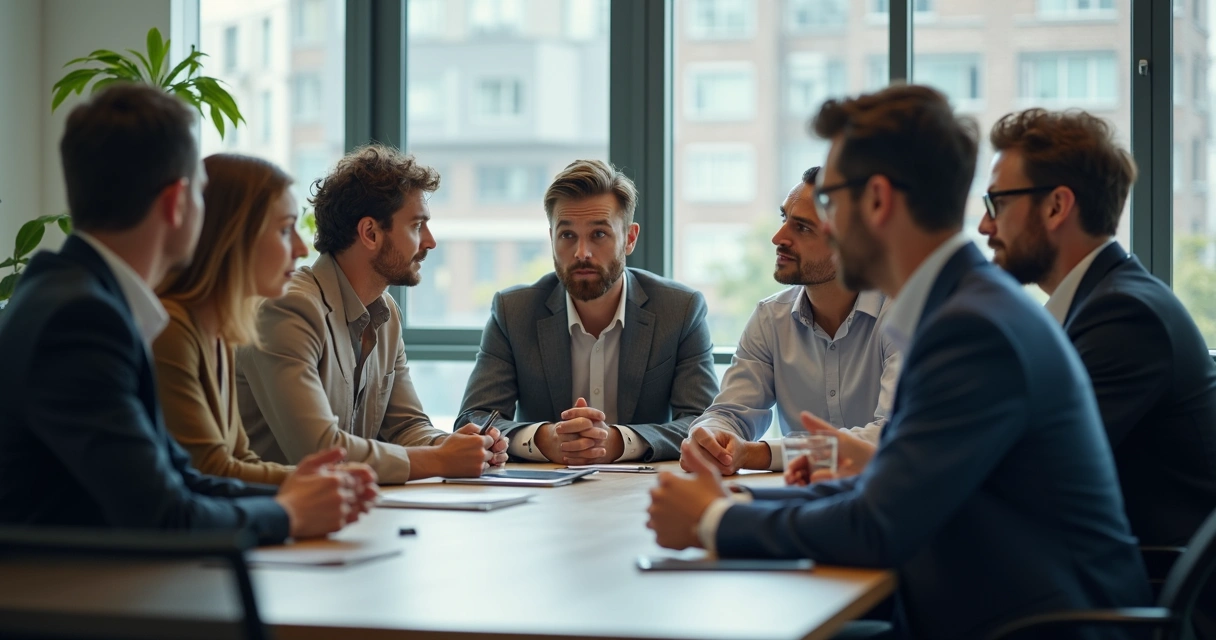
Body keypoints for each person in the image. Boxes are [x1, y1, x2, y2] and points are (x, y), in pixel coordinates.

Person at [646, 84, 1150, 640]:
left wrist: (712, 520)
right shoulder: (963, 307)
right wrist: (734, 497)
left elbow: (879, 524)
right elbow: (895, 482)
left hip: (1032, 627)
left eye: (830, 204)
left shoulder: (971, 329)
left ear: (879, 201)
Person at [0, 83, 375, 542]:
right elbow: (163, 516)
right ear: (177, 204)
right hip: (61, 599)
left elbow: (179, 478)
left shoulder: (75, 294)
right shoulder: (82, 320)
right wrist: (289, 515)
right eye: (202, 193)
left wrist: (297, 491)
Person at [978, 108, 1216, 548]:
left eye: (998, 202)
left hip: (1144, 593)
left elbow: (1031, 472)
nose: (984, 225)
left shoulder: (1125, 317)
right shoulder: (1100, 303)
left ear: (1056, 206)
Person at [237, 144, 507, 484]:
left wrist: (463, 447)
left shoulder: (387, 313)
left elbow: (406, 427)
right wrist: (440, 458)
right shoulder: (289, 309)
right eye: (417, 226)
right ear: (370, 233)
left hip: (348, 513)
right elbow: (321, 452)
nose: (430, 241)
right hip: (277, 522)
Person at [457, 159, 718, 464]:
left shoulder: (680, 310)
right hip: (543, 494)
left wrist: (620, 442)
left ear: (630, 238)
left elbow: (704, 423)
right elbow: (473, 419)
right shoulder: (513, 311)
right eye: (567, 235)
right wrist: (543, 439)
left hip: (641, 493)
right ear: (552, 238)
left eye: (599, 235)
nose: (582, 252)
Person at [680, 166, 898, 475]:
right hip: (803, 499)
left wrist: (757, 454)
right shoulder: (770, 318)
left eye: (803, 228)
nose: (778, 237)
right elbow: (730, 413)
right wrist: (711, 437)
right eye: (784, 219)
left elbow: (889, 437)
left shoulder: (901, 315)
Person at [153, 154, 309, 485]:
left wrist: (327, 479)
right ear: (234, 236)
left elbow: (240, 458)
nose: (301, 248)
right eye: (284, 230)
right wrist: (315, 481)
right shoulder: (171, 330)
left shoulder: (218, 330)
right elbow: (209, 470)